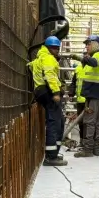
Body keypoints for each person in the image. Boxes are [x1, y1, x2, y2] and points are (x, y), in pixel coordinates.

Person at [32, 36, 67, 166]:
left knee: (59, 121)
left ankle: (54, 153)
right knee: (54, 123)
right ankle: (51, 157)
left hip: (42, 91)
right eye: (54, 48)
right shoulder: (48, 58)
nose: (56, 50)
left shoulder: (40, 57)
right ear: (48, 48)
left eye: (57, 48)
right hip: (47, 91)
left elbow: (35, 69)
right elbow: (50, 76)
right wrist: (56, 93)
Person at [74, 35, 99, 158]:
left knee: (89, 122)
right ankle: (96, 149)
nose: (86, 47)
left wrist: (83, 58)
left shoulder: (98, 55)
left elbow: (94, 63)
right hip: (97, 95)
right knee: (97, 123)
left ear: (95, 44)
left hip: (94, 95)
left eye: (88, 44)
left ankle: (88, 150)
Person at [68, 58, 87, 145]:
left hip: (89, 101)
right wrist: (71, 94)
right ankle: (82, 141)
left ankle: (88, 142)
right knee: (81, 122)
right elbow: (74, 83)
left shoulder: (91, 69)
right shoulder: (78, 69)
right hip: (80, 101)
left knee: (89, 123)